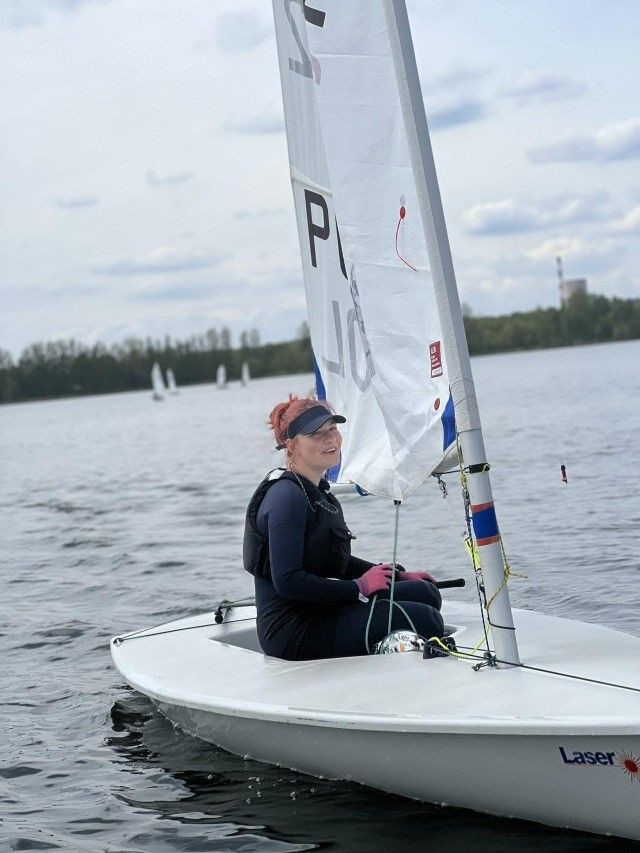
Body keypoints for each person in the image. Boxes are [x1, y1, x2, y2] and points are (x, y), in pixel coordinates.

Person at [243, 395, 445, 661]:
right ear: (291, 446)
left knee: (426, 593)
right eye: (316, 434)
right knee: (427, 619)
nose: (330, 439)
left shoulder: (314, 492)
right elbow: (288, 581)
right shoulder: (286, 497)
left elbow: (332, 560)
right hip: (292, 632)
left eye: (332, 429)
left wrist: (394, 575)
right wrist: (359, 588)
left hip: (318, 609)